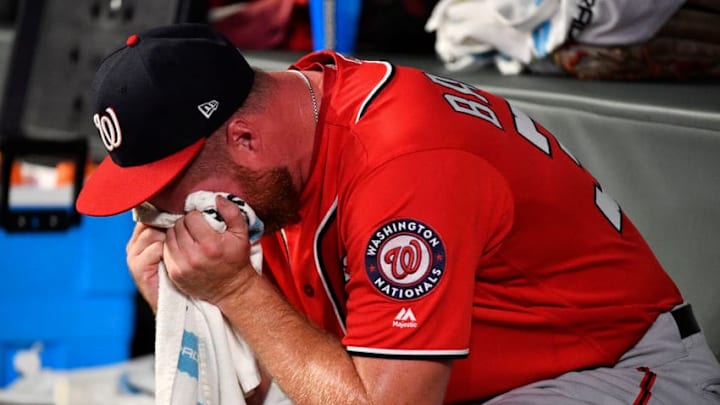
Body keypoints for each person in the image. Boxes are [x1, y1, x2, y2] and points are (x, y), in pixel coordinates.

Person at [76, 23, 720, 404]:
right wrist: (188, 304)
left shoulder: (400, 163)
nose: (166, 215)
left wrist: (239, 290)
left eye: (172, 191)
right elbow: (293, 383)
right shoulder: (281, 158)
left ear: (243, 137)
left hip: (618, 376)